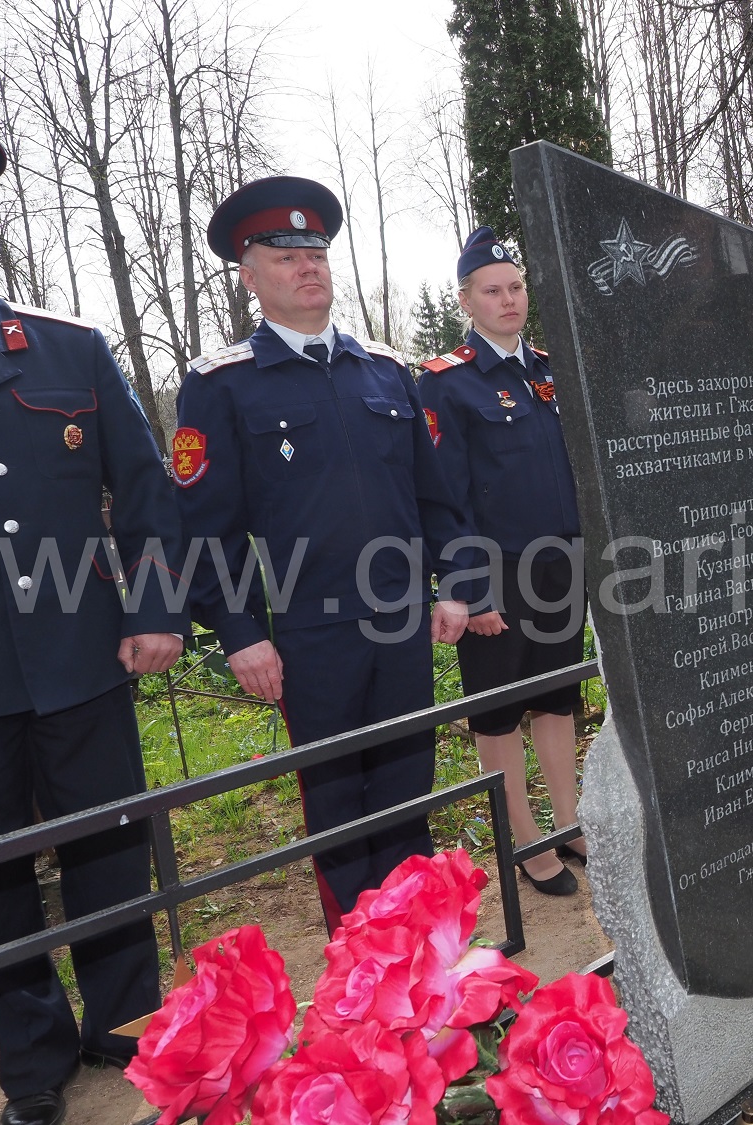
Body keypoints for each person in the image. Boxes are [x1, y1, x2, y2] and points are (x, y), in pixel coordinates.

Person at [174, 176, 486, 932]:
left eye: (316, 252)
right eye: (284, 256)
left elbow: (434, 495)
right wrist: (242, 633)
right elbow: (204, 530)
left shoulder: (383, 372)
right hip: (309, 630)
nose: (308, 266)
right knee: (338, 800)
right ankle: (360, 956)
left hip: (402, 620)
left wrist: (458, 586)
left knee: (409, 784)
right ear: (250, 278)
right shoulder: (224, 385)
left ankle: (420, 942)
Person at [0, 135, 186, 1125]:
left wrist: (157, 609)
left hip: (82, 657)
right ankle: (30, 1058)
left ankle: (128, 1017)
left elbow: (147, 490)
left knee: (108, 844)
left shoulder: (68, 349)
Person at [417, 229, 587, 897]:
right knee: (498, 712)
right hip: (497, 574)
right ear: (467, 299)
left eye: (516, 286)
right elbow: (444, 496)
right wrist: (468, 587)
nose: (509, 299)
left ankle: (567, 824)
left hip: (561, 563)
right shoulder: (448, 383)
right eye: (493, 289)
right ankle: (525, 839)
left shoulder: (549, 371)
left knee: (556, 698)